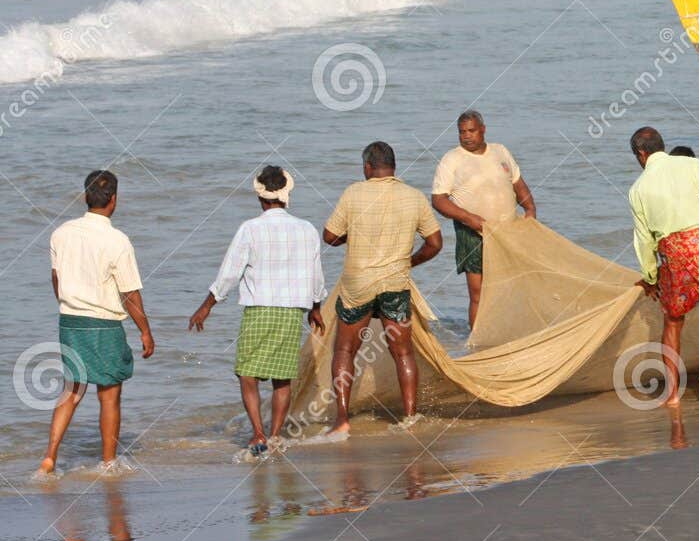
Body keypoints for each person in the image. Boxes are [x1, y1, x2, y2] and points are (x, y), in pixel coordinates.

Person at [188, 166, 327, 456]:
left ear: (259, 195)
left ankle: (258, 433)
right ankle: (274, 435)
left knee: (247, 374)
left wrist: (207, 306)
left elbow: (229, 273)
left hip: (260, 308)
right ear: (287, 193)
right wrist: (316, 308)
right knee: (282, 377)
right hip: (292, 311)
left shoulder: (250, 229)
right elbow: (316, 276)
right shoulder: (307, 229)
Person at [38, 170, 156, 476]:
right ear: (114, 200)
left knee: (71, 391)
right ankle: (108, 463)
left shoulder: (61, 233)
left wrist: (67, 304)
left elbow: (56, 278)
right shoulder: (117, 240)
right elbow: (129, 293)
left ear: (85, 197)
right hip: (103, 324)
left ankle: (49, 457)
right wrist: (145, 331)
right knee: (109, 395)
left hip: (71, 321)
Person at [323, 141, 443, 435]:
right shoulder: (413, 197)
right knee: (402, 353)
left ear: (367, 167)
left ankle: (342, 420)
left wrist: (354, 239)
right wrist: (408, 262)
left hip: (357, 286)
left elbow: (329, 236)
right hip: (395, 283)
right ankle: (410, 417)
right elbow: (435, 243)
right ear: (393, 166)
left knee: (345, 350)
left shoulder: (353, 193)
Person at [628, 126, 699, 405]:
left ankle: (673, 394)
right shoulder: (691, 164)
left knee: (673, 321)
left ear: (641, 155)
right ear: (661, 146)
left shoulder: (637, 188)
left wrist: (650, 276)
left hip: (671, 250)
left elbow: (643, 240)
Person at [430, 111, 536, 329]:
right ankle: (478, 343)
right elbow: (439, 200)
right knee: (479, 294)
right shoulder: (452, 159)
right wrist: (468, 218)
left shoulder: (500, 151)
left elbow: (518, 183)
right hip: (473, 234)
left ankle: (507, 334)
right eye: (462, 132)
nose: (466, 136)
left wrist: (530, 209)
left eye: (471, 131)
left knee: (511, 288)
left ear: (483, 129)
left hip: (508, 232)